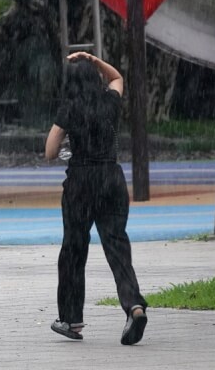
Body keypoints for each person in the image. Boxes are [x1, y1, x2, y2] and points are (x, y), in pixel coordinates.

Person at [45, 51, 148, 345]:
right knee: (117, 245)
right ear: (95, 78)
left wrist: (66, 137)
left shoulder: (70, 108)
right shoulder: (109, 101)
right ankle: (134, 306)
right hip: (111, 179)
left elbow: (50, 151)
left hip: (81, 183)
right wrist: (93, 59)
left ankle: (71, 319)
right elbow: (117, 77)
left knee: (73, 250)